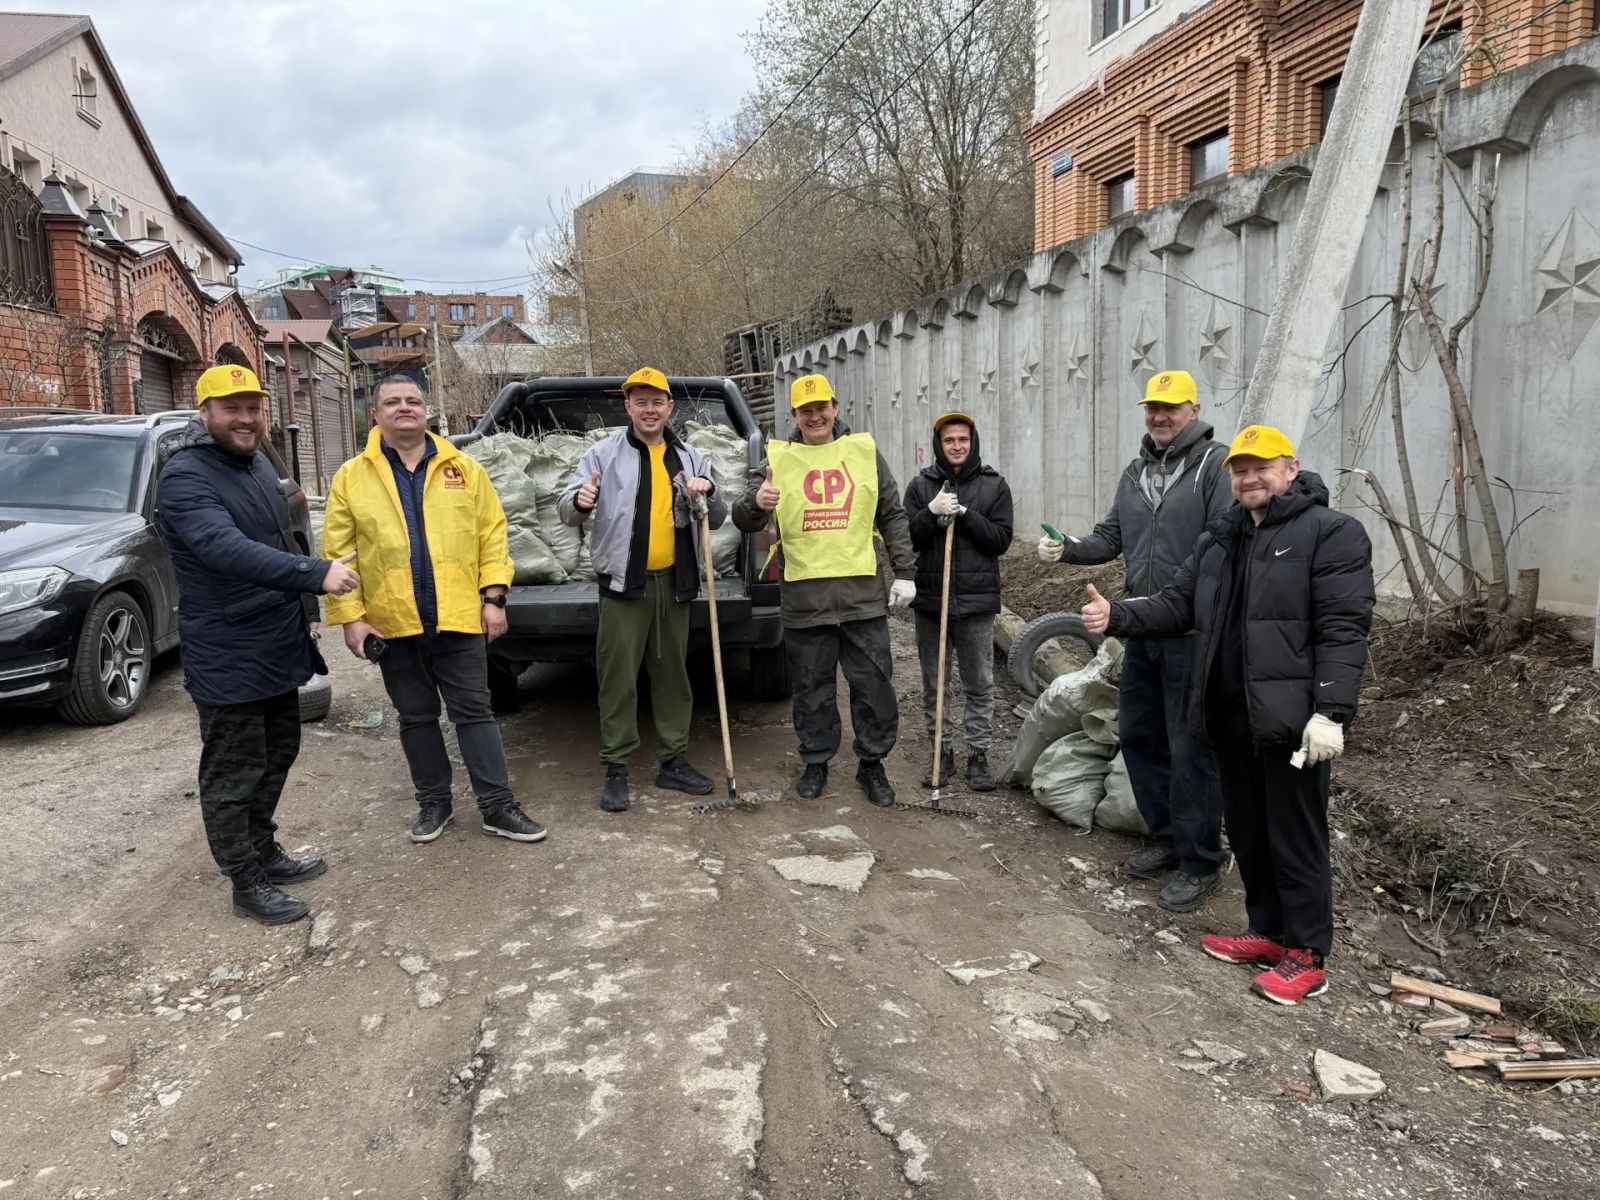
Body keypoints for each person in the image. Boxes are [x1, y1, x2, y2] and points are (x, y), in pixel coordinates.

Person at [1081, 425, 1375, 1006]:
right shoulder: (1222, 539)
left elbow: (1344, 628)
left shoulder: (1332, 533)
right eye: (1240, 470)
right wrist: (1118, 615)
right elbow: (1176, 604)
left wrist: (1331, 711)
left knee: (1295, 835)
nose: (1248, 478)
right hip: (1229, 716)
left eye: (1261, 467)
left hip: (1292, 722)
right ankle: (1267, 932)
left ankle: (1307, 954)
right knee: (1247, 829)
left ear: (1291, 469)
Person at [158, 364, 360, 926]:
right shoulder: (185, 476)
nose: (245, 418)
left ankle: (263, 850)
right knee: (233, 770)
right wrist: (315, 575)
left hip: (274, 641)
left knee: (277, 751)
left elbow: (284, 536)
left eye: (253, 407)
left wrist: (307, 611)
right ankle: (245, 882)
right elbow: (222, 547)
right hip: (228, 650)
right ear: (205, 413)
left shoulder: (255, 464)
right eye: (232, 408)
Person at [322, 374, 547, 846]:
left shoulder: (463, 468)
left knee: (476, 713)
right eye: (393, 402)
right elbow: (339, 555)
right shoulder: (351, 477)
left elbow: (492, 536)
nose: (405, 407)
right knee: (416, 717)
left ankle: (497, 806)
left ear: (427, 411)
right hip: (392, 622)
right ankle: (434, 803)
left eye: (413, 400)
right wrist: (351, 618)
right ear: (375, 414)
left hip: (458, 618)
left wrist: (494, 599)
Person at [1038, 368, 1232, 913]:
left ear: (1193, 410)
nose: (1159, 416)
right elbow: (1111, 537)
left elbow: (1221, 546)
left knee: (1191, 748)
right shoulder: (1135, 472)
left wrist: (1182, 604)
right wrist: (1069, 547)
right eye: (1152, 407)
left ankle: (1201, 861)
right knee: (1143, 738)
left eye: (1170, 407)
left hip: (1192, 633)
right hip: (1139, 628)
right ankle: (1166, 837)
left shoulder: (1213, 468)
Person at [732, 373, 916, 807]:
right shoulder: (779, 459)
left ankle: (872, 763)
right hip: (805, 602)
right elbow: (742, 516)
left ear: (835, 408)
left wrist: (906, 571)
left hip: (861, 599)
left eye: (821, 408)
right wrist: (757, 503)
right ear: (794, 415)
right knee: (811, 689)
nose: (815, 417)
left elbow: (892, 513)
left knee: (873, 686)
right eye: (805, 410)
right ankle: (816, 761)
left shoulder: (863, 453)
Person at [555, 366, 726, 813]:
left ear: (670, 407)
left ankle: (674, 761)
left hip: (675, 583)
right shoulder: (602, 455)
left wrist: (707, 490)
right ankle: (617, 768)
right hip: (622, 586)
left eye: (657, 402)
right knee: (618, 680)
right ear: (627, 406)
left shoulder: (691, 456)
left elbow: (717, 516)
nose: (649, 410)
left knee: (673, 677)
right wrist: (580, 501)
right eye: (641, 402)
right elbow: (566, 510)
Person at [903, 411, 1014, 792]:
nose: (956, 446)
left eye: (962, 439)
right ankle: (942, 753)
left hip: (976, 604)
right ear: (939, 444)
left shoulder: (994, 486)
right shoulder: (921, 486)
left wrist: (965, 515)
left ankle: (978, 756)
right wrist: (930, 513)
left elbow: (1000, 540)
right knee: (935, 684)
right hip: (931, 602)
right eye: (949, 440)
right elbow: (908, 538)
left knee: (979, 683)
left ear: (973, 441)